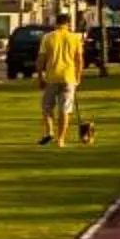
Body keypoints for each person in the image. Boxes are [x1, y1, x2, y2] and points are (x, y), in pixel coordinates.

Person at [36, 12, 87, 147]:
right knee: (65, 109)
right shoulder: (75, 38)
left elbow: (41, 59)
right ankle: (61, 139)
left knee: (47, 107)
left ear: (56, 23)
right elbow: (79, 60)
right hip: (69, 77)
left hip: (52, 77)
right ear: (68, 24)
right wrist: (78, 76)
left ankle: (49, 132)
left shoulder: (48, 37)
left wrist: (40, 76)